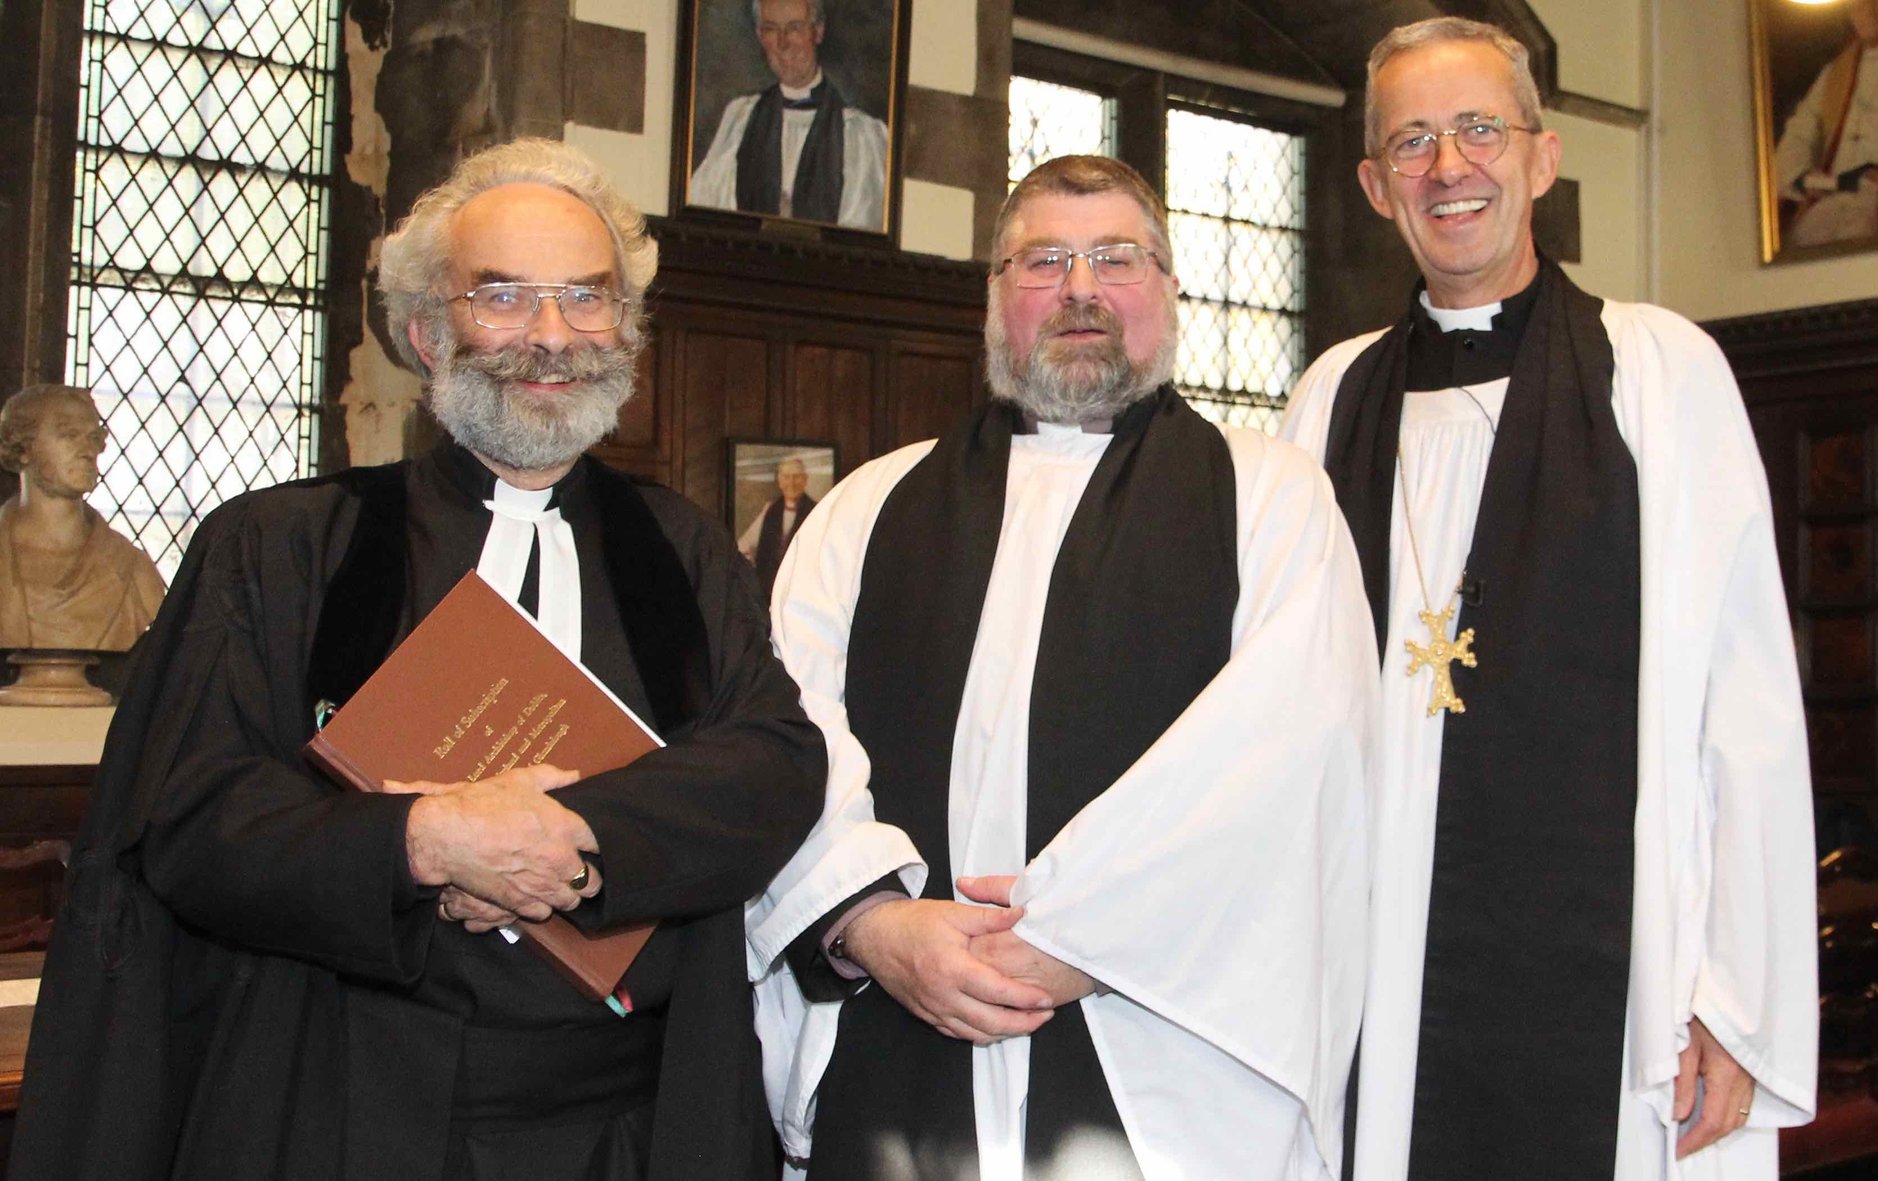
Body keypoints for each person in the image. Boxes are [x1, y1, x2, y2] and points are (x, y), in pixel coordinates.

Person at [10, 138, 826, 1181]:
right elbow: (186, 818)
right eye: (504, 297)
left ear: (626, 330)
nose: (551, 336)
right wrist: (426, 840)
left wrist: (565, 833)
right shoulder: (282, 546)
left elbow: (773, 762)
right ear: (426, 331)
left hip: (630, 1125)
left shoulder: (685, 545)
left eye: (587, 297)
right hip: (349, 1111)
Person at [749, 155, 1375, 1180]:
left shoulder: (1269, 498)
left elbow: (1290, 756)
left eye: (1117, 257)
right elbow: (785, 743)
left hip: (1161, 1055)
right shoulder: (866, 509)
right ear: (994, 297)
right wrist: (872, 921)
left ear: (1169, 289)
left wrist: (1083, 937)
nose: (1081, 287)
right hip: (898, 1036)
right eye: (1044, 258)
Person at [1280, 18, 1817, 1181]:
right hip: (1375, 970)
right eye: (1412, 142)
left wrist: (1737, 998)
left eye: (1479, 128)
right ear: (1376, 185)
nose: (1449, 166)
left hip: (1615, 983)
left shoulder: (1661, 375)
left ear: (1541, 155)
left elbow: (1751, 712)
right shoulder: (1330, 400)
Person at [690, 0, 889, 228]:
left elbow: (863, 233)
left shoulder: (861, 136)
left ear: (818, 31)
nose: (782, 43)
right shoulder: (741, 120)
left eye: (794, 28)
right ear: (759, 35)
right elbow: (707, 213)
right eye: (771, 29)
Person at [0, 384, 164, 650]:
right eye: (69, 434)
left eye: (93, 438)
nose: (88, 451)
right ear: (23, 447)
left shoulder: (134, 572)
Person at [1772, 0, 1878, 248]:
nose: (1867, 12)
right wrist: (1803, 178)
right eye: (1858, 4)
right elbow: (1799, 133)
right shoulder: (1836, 72)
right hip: (1832, 198)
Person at [737, 456, 817, 599]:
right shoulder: (770, 510)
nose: (791, 482)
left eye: (796, 477)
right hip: (768, 592)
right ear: (779, 481)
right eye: (786, 477)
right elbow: (744, 545)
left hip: (802, 593)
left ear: (805, 480)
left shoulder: (817, 512)